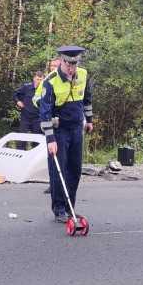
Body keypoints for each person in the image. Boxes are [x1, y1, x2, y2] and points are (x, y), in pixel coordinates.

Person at [36, 45, 94, 223]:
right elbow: (44, 112)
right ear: (61, 61)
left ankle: (70, 209)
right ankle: (59, 208)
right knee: (58, 169)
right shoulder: (50, 81)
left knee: (74, 170)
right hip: (59, 130)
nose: (71, 68)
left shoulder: (83, 74)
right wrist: (50, 139)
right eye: (68, 64)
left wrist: (89, 120)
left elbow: (87, 98)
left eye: (74, 64)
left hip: (77, 128)